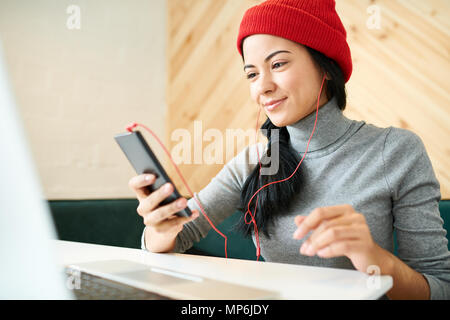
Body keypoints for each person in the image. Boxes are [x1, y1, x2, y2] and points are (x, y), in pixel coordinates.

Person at [128, 0, 450, 299]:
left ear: (325, 65)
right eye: (252, 73)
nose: (262, 87)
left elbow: (441, 287)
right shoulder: (256, 161)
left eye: (278, 63)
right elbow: (171, 240)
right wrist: (159, 229)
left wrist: (376, 261)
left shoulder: (396, 151)